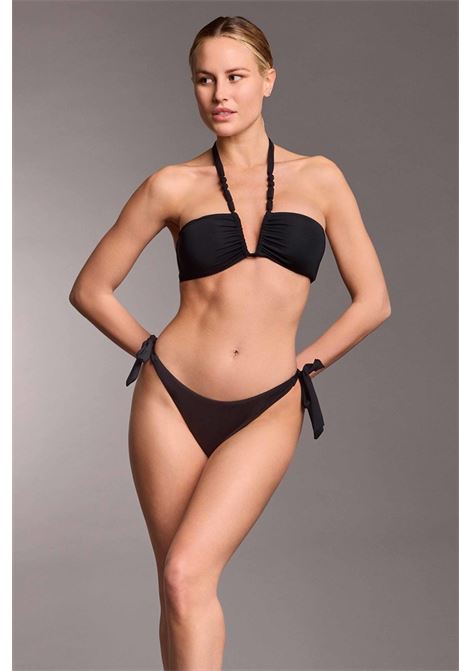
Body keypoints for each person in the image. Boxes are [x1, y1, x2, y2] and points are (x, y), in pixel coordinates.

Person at [69, 15, 391, 671]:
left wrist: (304, 367)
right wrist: (150, 354)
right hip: (171, 402)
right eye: (205, 79)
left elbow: (373, 301)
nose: (220, 94)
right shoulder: (171, 184)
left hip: (267, 407)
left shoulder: (320, 179)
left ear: (268, 81)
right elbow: (91, 288)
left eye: (236, 77)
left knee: (187, 571)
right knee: (179, 586)